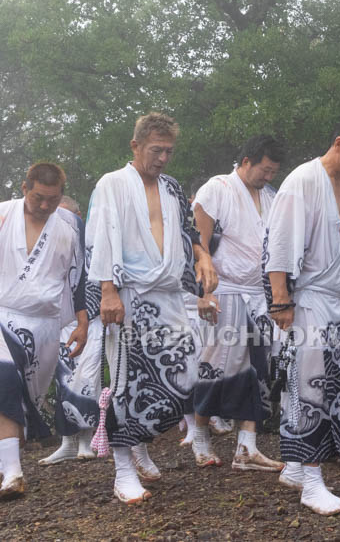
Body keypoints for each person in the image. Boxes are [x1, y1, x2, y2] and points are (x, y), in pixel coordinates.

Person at [88, 112, 218, 504]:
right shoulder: (112, 183)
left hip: (167, 293)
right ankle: (124, 469)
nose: (162, 158)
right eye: (155, 150)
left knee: (186, 374)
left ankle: (140, 443)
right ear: (135, 146)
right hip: (129, 293)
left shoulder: (172, 186)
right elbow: (100, 238)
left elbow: (189, 232)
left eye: (168, 151)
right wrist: (108, 291)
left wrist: (203, 257)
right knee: (130, 384)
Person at [264, 116, 340, 515]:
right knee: (307, 389)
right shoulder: (301, 181)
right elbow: (278, 245)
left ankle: (296, 467)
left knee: (337, 390)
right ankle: (312, 484)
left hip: (337, 301)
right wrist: (281, 302)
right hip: (307, 300)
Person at [189, 135, 287, 472]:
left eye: (273, 172)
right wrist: (205, 292)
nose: (268, 177)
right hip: (223, 288)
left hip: (258, 293)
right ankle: (200, 437)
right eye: (264, 169)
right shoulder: (216, 189)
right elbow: (198, 244)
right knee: (216, 367)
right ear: (246, 161)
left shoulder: (271, 197)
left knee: (257, 369)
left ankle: (246, 448)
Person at [0, 163, 88, 499]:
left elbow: (77, 279)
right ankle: (13, 474)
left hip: (45, 326)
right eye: (39, 198)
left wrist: (81, 321)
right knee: (5, 381)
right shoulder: (4, 216)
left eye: (53, 199)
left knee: (23, 403)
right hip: (4, 314)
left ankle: (7, 462)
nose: (45, 206)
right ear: (24, 187)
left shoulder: (69, 225)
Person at [41, 195, 104, 466]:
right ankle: (67, 442)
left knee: (87, 377)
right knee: (63, 379)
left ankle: (86, 441)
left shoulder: (93, 243)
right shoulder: (48, 249)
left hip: (93, 317)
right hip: (59, 318)